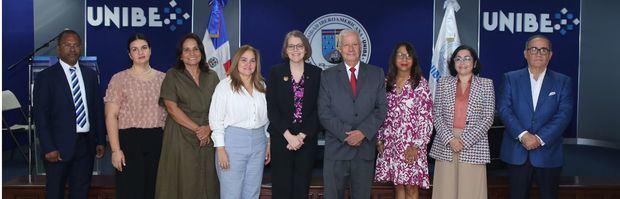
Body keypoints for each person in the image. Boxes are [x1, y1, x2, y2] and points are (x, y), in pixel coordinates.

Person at [33, 29, 106, 199]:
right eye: (67, 45)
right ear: (58, 49)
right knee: (55, 192)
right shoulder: (46, 77)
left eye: (76, 45)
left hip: (86, 146)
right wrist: (48, 147)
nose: (72, 49)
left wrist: (100, 140)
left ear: (81, 48)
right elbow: (41, 115)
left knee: (81, 191)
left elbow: (96, 109)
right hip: (57, 148)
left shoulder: (90, 75)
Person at [498, 35, 573, 199]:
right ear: (525, 53)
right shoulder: (510, 78)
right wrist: (523, 135)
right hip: (517, 151)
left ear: (550, 55)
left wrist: (539, 138)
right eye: (533, 49)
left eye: (543, 50)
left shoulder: (563, 81)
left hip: (548, 152)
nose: (538, 53)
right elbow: (504, 109)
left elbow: (564, 114)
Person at [318, 29, 388, 199]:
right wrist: (347, 134)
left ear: (361, 47)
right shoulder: (327, 76)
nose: (351, 49)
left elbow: (381, 109)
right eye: (346, 45)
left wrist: (362, 132)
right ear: (339, 48)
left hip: (364, 150)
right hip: (336, 150)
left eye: (355, 44)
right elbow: (324, 112)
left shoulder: (376, 73)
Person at [155, 33, 220, 199]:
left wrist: (208, 129)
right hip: (180, 136)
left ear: (201, 52)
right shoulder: (173, 74)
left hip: (207, 136)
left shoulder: (212, 76)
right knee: (182, 182)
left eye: (195, 49)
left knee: (206, 182)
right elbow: (171, 108)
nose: (192, 53)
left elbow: (221, 108)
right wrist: (199, 129)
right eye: (187, 50)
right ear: (181, 56)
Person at [104, 33, 166, 199]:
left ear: (150, 50)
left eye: (144, 48)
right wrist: (116, 150)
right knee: (130, 191)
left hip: (157, 141)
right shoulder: (119, 79)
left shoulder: (163, 79)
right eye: (135, 49)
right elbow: (111, 116)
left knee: (154, 191)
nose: (140, 52)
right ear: (129, 54)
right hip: (129, 143)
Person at [429, 45, 495, 199]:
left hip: (473, 144)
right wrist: (450, 139)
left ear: (475, 63)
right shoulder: (444, 83)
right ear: (453, 63)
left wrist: (464, 140)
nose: (462, 62)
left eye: (467, 58)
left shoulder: (486, 84)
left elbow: (488, 118)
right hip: (446, 143)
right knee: (445, 192)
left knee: (470, 193)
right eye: (458, 58)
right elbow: (436, 114)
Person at [209, 45, 271, 199]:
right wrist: (220, 149)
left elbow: (267, 118)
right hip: (232, 143)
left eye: (252, 61)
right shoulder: (224, 86)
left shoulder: (262, 86)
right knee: (232, 193)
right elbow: (216, 119)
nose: (248, 64)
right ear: (236, 62)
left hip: (259, 143)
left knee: (252, 192)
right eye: (243, 60)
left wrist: (268, 143)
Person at [266, 30, 322, 199]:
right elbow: (272, 108)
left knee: (301, 188)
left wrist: (301, 136)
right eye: (291, 46)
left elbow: (319, 109)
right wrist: (289, 136)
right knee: (281, 189)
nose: (295, 49)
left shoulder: (317, 73)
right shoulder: (275, 72)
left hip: (307, 140)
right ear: (286, 49)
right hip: (281, 138)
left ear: (305, 49)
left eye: (299, 45)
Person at [374, 42, 433, 199]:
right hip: (391, 143)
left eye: (408, 55)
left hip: (412, 145)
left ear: (413, 60)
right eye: (400, 55)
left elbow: (426, 118)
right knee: (398, 185)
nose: (404, 59)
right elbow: (380, 113)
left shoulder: (420, 83)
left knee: (411, 187)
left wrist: (416, 145)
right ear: (394, 59)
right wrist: (379, 139)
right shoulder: (386, 83)